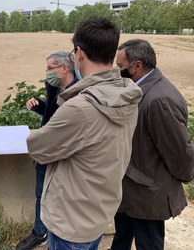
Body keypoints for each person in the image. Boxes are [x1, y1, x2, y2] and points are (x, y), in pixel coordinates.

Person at [27, 17, 143, 250]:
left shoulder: (79, 108)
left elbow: (38, 148)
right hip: (98, 210)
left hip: (70, 220)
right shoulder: (126, 94)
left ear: (78, 54)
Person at [111, 39, 194, 250]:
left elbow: (178, 152)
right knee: (121, 239)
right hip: (132, 188)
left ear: (137, 65)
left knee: (148, 244)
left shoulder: (159, 99)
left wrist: (186, 175)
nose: (118, 70)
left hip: (148, 192)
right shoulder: (140, 88)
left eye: (121, 66)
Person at [16, 50, 78, 250]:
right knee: (40, 193)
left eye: (50, 68)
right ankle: (39, 232)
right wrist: (38, 106)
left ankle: (56, 237)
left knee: (58, 198)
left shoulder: (78, 93)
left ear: (64, 68)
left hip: (61, 155)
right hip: (47, 152)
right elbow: (51, 113)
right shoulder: (55, 86)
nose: (47, 72)